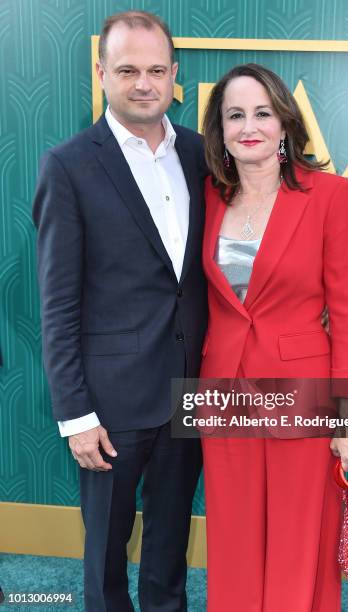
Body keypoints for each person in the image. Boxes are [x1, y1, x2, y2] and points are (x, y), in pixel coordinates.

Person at [32, 11, 207, 612]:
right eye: (128, 69)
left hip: (189, 392)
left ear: (174, 76)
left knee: (169, 550)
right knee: (106, 559)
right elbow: (56, 303)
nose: (143, 83)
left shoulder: (201, 155)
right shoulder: (70, 165)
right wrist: (75, 414)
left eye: (156, 70)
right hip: (109, 406)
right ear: (102, 72)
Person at [200, 63, 348, 612]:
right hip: (223, 391)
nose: (250, 126)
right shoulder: (206, 197)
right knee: (233, 538)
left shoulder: (330, 196)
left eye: (262, 113)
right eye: (235, 115)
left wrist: (347, 421)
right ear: (219, 130)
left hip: (302, 391)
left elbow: (346, 316)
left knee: (300, 539)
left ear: (285, 124)